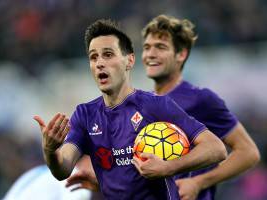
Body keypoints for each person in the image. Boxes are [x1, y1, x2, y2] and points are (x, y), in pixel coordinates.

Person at [34, 19, 227, 199]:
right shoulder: (85, 114)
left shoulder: (155, 105)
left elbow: (216, 149)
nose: (99, 62)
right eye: (93, 57)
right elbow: (63, 169)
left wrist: (169, 167)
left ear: (130, 61)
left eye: (108, 54)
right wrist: (50, 151)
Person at [141, 15, 260, 200]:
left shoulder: (200, 99)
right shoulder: (142, 104)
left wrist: (200, 182)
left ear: (181, 54)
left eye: (160, 47)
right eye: (147, 47)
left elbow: (248, 152)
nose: (150, 54)